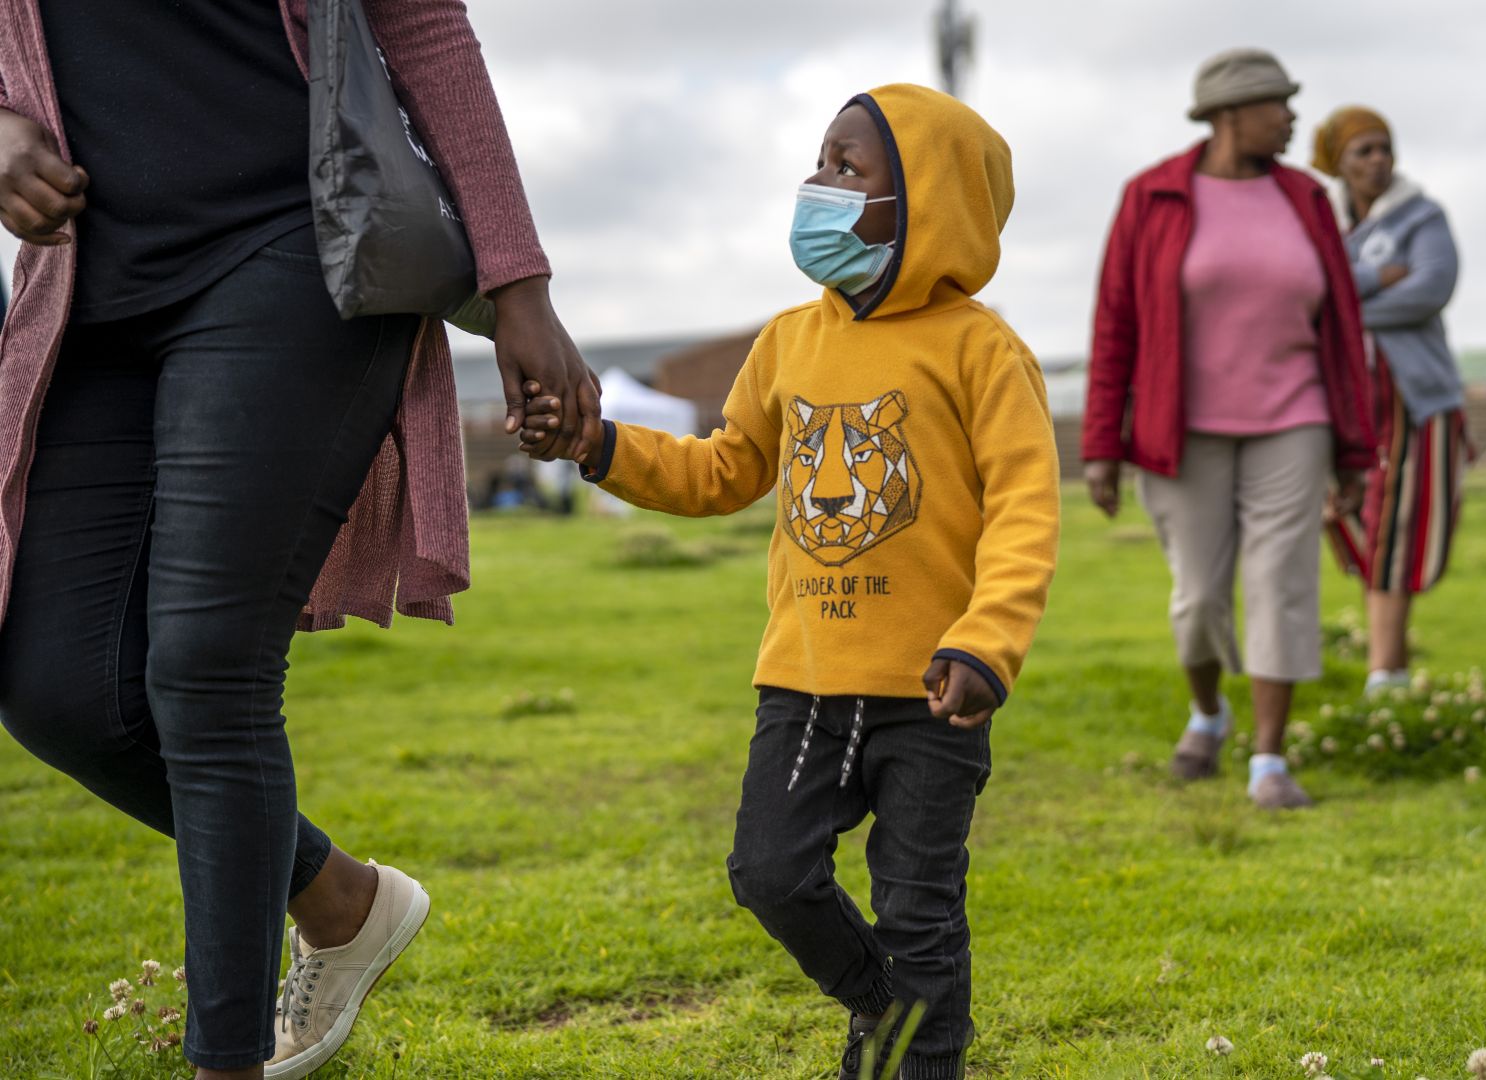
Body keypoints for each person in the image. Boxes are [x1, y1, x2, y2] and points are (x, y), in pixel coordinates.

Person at [0, 6, 600, 1079]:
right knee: (54, 690)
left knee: (207, 671)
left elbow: (420, 27)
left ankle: (222, 1062)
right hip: (91, 284)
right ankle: (338, 898)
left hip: (305, 245)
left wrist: (521, 285)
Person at [524, 85, 1058, 1080]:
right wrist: (599, 446)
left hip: (935, 697)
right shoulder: (788, 340)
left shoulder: (985, 351)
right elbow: (723, 469)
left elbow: (1028, 509)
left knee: (919, 909)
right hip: (804, 684)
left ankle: (912, 1053)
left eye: (848, 169)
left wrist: (989, 641)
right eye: (820, 161)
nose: (817, 184)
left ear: (928, 204)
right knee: (769, 875)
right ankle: (887, 1006)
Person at [1082, 48, 1374, 810]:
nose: (1291, 117)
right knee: (1199, 597)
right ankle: (1209, 714)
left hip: (1295, 416)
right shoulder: (1152, 197)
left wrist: (1353, 445)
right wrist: (1101, 447)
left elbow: (1343, 322)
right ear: (1228, 115)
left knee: (1282, 585)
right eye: (1277, 104)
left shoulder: (1308, 198)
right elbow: (1116, 322)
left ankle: (1269, 762)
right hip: (1180, 427)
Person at [1312, 106, 1469, 696]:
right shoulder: (1320, 218)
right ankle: (1392, 662)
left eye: (1385, 148)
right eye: (1363, 151)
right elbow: (1310, 286)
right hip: (1342, 394)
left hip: (1411, 393)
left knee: (1400, 519)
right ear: (1339, 162)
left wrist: (1341, 307)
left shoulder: (1422, 215)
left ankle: (1385, 672)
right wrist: (1379, 278)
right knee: (1349, 513)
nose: (1378, 160)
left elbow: (1430, 289)